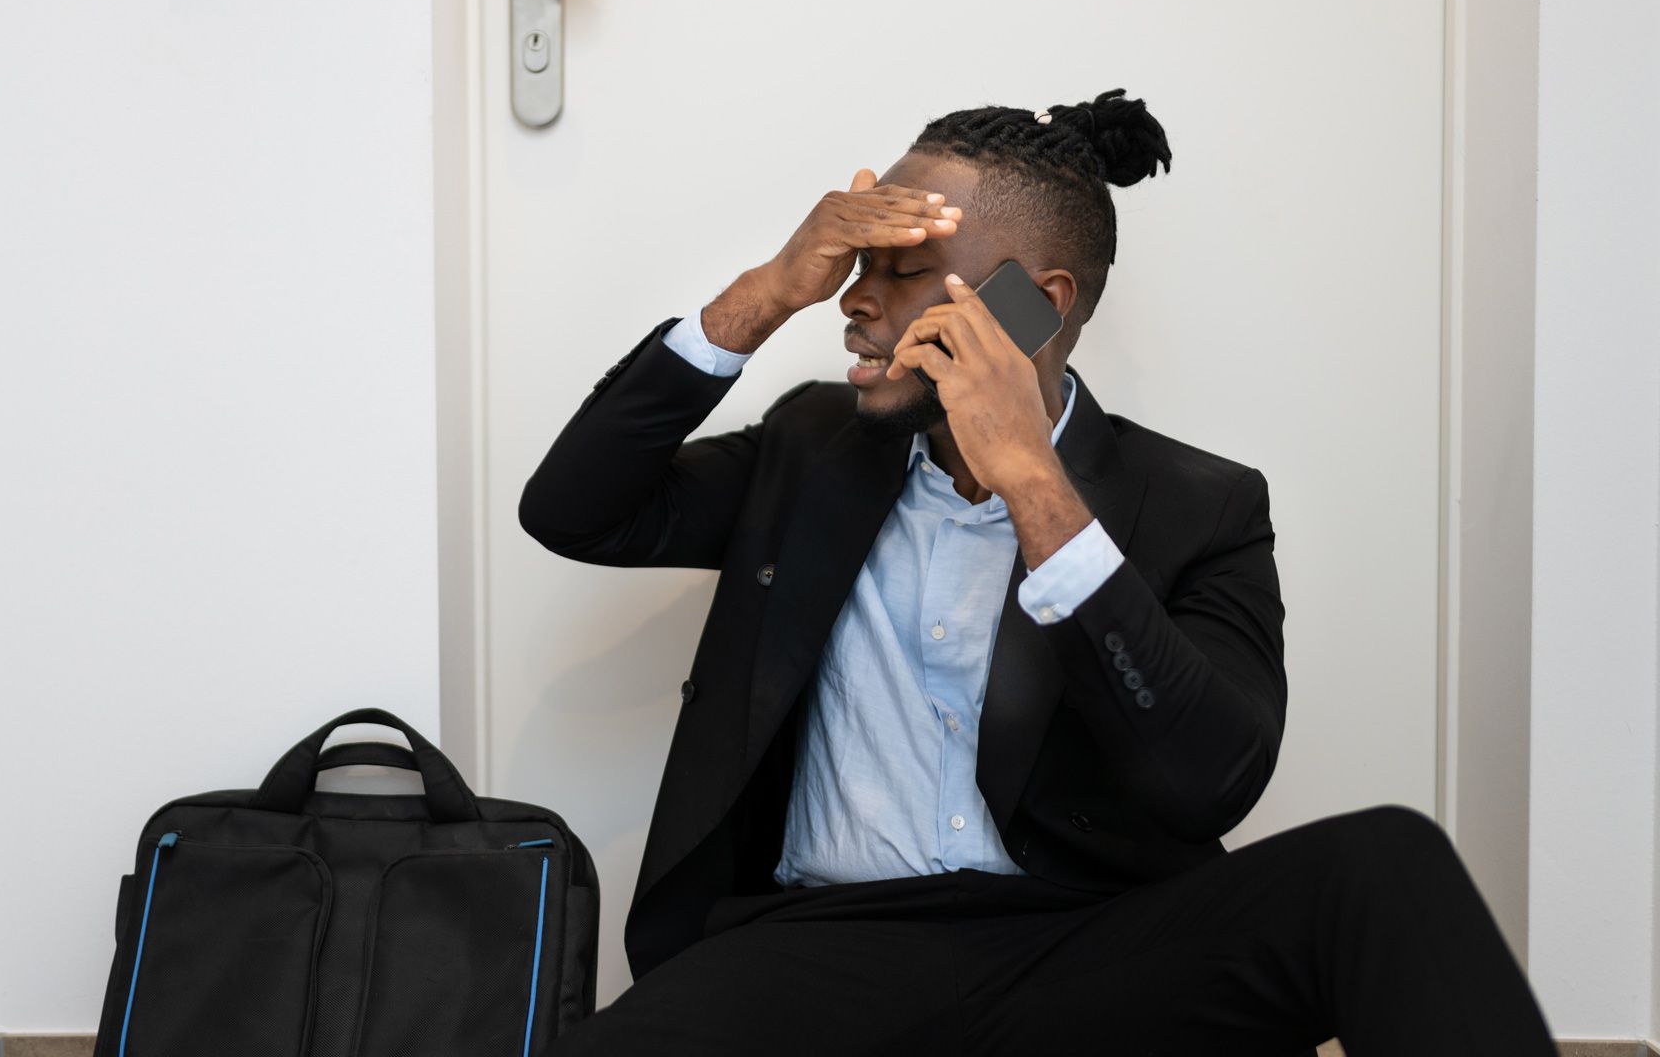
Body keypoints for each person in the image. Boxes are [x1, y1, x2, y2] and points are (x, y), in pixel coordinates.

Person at [518, 90, 1555, 1055]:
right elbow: (575, 508)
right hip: (822, 949)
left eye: (903, 270)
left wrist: (1032, 485)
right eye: (855, 265)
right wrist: (768, 290)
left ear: (1038, 304)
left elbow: (1210, 780)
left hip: (1089, 947)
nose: (858, 302)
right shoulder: (812, 451)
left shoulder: (1202, 503)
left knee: (1384, 864)